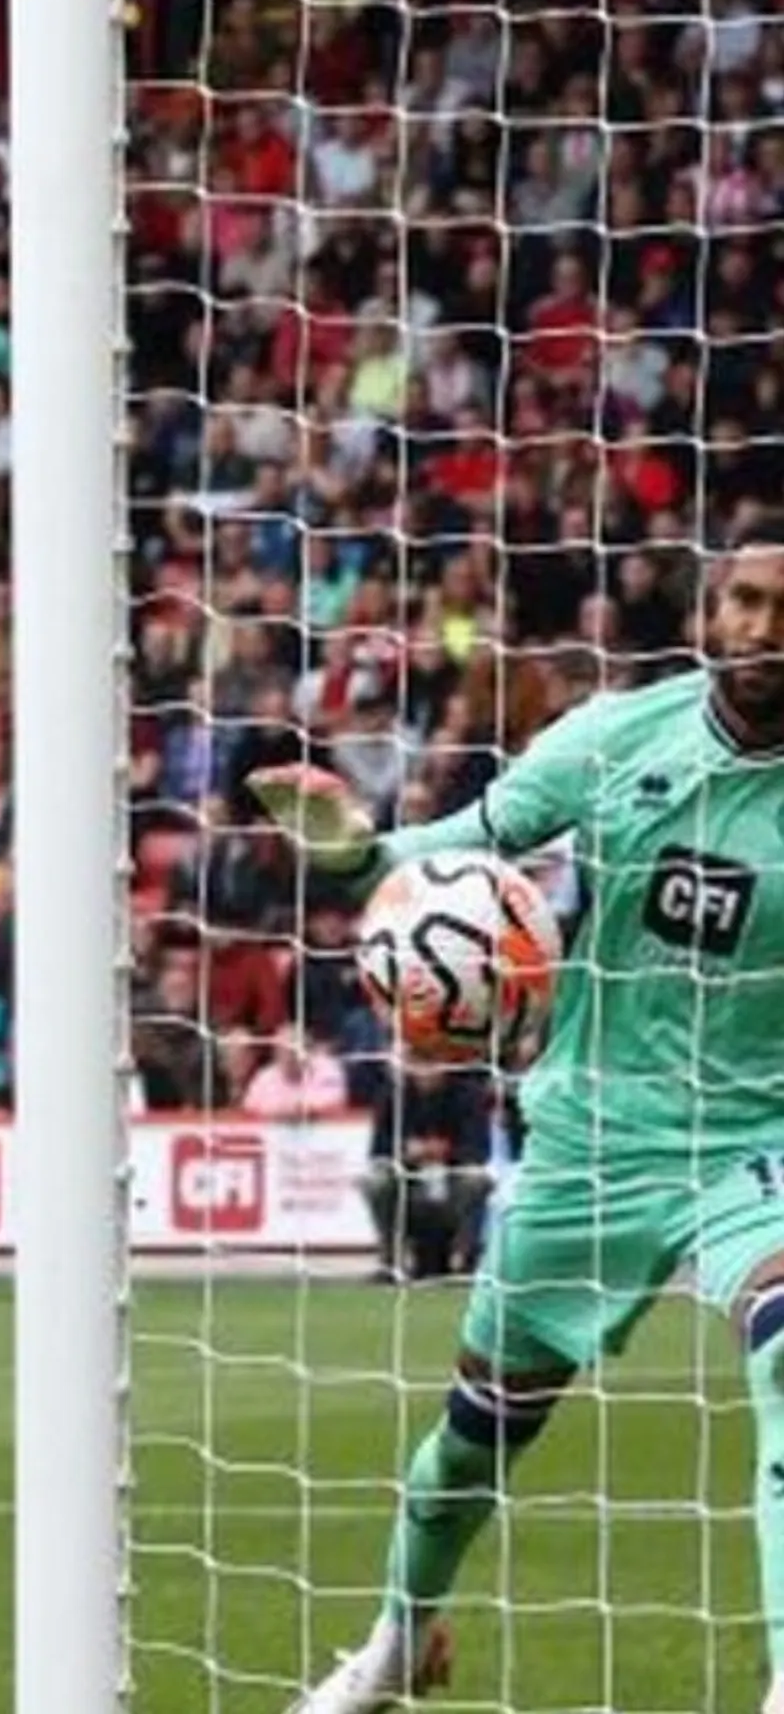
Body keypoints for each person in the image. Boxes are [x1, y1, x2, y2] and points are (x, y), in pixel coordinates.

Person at [276, 521, 784, 1713]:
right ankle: (398, 1640)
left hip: (757, 1143)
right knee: (477, 1434)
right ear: (709, 616)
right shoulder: (616, 738)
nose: (762, 629)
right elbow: (455, 853)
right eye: (745, 602)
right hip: (595, 1137)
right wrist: (356, 853)